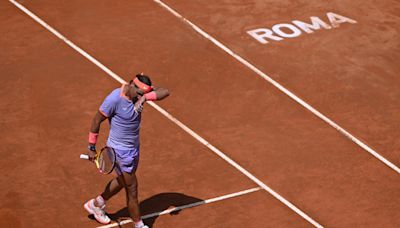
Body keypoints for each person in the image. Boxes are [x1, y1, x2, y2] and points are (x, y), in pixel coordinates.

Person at [83, 74, 169, 228]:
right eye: (140, 93)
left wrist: (144, 98)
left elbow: (165, 92)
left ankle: (97, 203)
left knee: (123, 180)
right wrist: (91, 147)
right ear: (132, 86)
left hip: (134, 148)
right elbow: (96, 120)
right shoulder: (114, 99)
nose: (141, 96)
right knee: (132, 188)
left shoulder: (140, 95)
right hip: (119, 151)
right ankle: (139, 225)